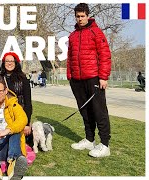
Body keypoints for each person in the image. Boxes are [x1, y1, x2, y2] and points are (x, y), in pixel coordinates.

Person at [67, 3, 112, 158]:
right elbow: (70, 58)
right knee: (84, 111)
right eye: (78, 16)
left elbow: (104, 55)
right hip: (77, 80)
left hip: (93, 77)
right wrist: (70, 76)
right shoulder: (72, 35)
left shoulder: (96, 32)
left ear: (88, 16)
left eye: (82, 16)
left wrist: (103, 77)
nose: (80, 19)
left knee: (99, 111)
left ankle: (105, 144)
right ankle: (89, 139)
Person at [0, 52, 33, 145]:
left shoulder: (23, 79)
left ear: (16, 63)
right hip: (5, 115)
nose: (9, 63)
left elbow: (28, 102)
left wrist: (26, 123)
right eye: (7, 61)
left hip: (19, 114)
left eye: (12, 61)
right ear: (3, 63)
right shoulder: (0, 79)